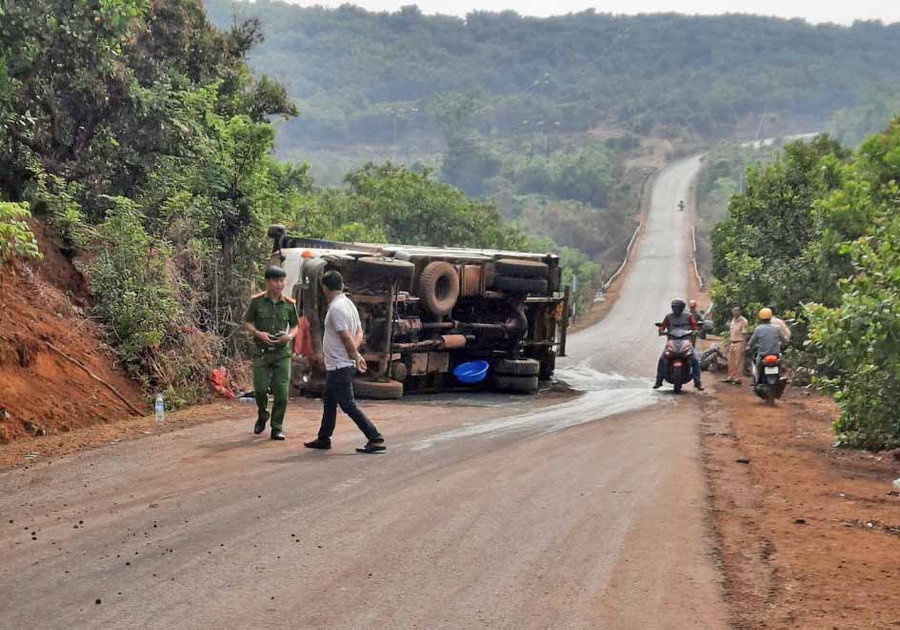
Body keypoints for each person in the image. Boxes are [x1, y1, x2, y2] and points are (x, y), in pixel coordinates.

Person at [304, 270, 385, 454]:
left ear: (324, 288)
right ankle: (324, 438)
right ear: (341, 286)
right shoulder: (349, 305)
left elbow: (345, 336)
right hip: (339, 365)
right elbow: (359, 333)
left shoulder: (336, 309)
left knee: (348, 405)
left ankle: (374, 437)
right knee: (329, 401)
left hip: (340, 366)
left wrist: (354, 354)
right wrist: (355, 353)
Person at [243, 266, 299, 441]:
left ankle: (277, 427)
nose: (279, 284)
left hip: (282, 353)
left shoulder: (290, 304)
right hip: (261, 352)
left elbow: (296, 325)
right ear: (267, 282)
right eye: (275, 280)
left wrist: (288, 336)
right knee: (260, 389)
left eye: (282, 280)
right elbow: (246, 322)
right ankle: (262, 414)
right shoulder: (257, 302)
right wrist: (258, 333)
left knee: (282, 392)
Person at [653, 298, 703, 390]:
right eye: (674, 307)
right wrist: (661, 330)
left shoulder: (688, 316)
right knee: (662, 359)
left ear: (682, 308)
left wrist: (696, 330)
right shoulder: (668, 317)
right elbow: (663, 326)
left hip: (686, 340)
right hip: (671, 341)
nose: (675, 309)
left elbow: (695, 326)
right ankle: (658, 381)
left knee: (695, 360)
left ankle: (697, 383)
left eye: (677, 307)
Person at [747, 308, 784, 388]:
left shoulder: (758, 329)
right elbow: (783, 339)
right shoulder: (776, 328)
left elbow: (752, 342)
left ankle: (758, 382)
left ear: (760, 318)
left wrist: (749, 347)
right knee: (781, 364)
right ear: (771, 317)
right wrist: (785, 344)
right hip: (775, 354)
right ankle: (780, 377)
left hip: (763, 355)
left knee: (757, 367)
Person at [722, 306, 749, 384]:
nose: (735, 312)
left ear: (740, 312)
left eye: (737, 311)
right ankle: (731, 376)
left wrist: (744, 346)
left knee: (739, 361)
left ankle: (737, 378)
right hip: (732, 342)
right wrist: (727, 343)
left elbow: (744, 335)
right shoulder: (733, 320)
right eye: (734, 311)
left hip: (739, 342)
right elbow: (730, 332)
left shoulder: (743, 321)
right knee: (730, 360)